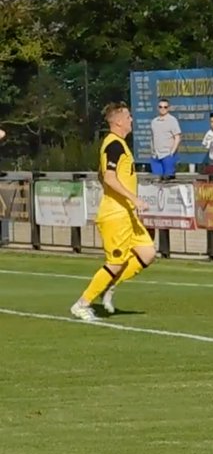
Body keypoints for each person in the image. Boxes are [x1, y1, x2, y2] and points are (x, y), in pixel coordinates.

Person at [69, 102, 156, 321]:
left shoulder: (118, 145)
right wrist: (134, 198)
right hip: (116, 214)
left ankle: (109, 286)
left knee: (147, 253)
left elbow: (102, 174)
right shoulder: (114, 144)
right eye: (128, 116)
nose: (131, 120)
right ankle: (82, 303)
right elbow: (108, 177)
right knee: (115, 262)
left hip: (126, 213)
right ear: (118, 121)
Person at [149, 98, 181, 179]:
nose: (163, 109)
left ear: (168, 108)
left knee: (168, 180)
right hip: (155, 156)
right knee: (156, 180)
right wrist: (152, 152)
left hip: (167, 155)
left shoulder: (172, 120)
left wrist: (172, 152)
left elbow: (177, 137)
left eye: (165, 107)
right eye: (160, 107)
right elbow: (152, 137)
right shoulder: (154, 122)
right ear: (157, 108)